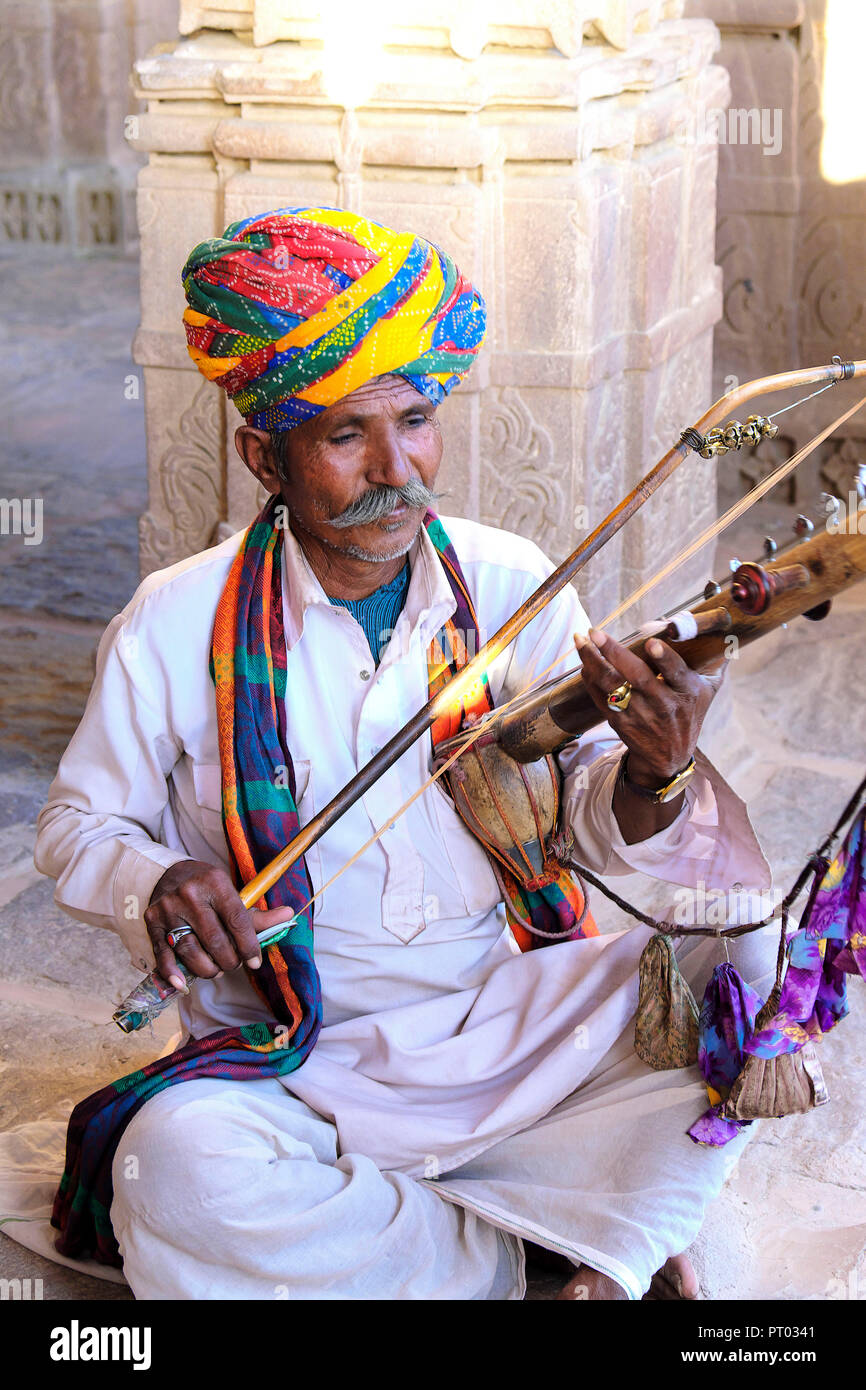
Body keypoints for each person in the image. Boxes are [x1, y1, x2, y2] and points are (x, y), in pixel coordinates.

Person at [34, 206, 773, 1301]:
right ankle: (542, 1250)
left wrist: (655, 772)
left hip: (496, 1022)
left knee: (751, 985)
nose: (397, 467)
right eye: (344, 436)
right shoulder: (174, 621)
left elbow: (576, 806)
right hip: (293, 1057)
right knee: (177, 1172)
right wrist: (157, 879)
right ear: (264, 456)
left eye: (417, 420)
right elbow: (72, 828)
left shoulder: (508, 579)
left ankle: (489, 1233)